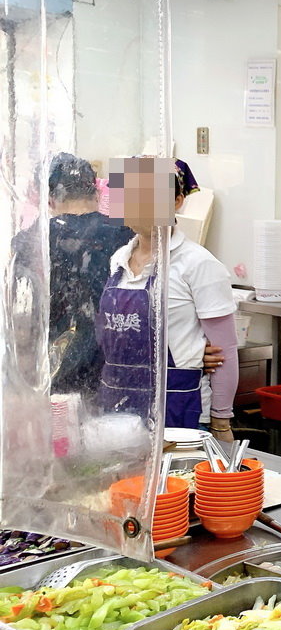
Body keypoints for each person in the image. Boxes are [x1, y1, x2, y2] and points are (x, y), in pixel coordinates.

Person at [97, 158, 238, 443]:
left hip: (179, 409)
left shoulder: (198, 264)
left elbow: (226, 350)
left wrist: (221, 422)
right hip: (117, 410)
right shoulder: (117, 261)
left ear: (176, 201)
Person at [11, 154, 132, 395]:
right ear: (96, 192)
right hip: (116, 362)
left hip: (51, 366)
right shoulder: (125, 236)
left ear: (49, 198)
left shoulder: (28, 242)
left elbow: (20, 317)